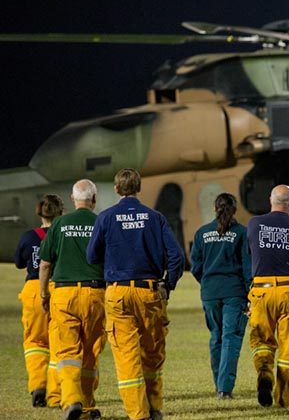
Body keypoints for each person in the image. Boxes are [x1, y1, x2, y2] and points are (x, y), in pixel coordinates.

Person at [86, 168, 184, 420]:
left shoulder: (106, 217)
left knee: (127, 357)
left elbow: (91, 256)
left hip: (117, 293)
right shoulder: (155, 218)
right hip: (149, 292)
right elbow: (176, 257)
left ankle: (138, 415)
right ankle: (155, 408)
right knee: (152, 355)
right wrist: (168, 285)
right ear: (139, 188)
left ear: (117, 189)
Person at [39, 180, 105, 420]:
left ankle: (71, 402)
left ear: (72, 199)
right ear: (94, 199)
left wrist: (44, 293)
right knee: (90, 352)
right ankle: (86, 405)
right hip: (96, 294)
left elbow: (45, 263)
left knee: (67, 353)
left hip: (64, 294)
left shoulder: (59, 223)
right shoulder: (101, 222)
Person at [246, 185, 289, 408]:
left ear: (269, 200)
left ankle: (264, 373)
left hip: (262, 290)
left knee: (262, 341)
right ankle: (284, 400)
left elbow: (251, 252)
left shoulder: (254, 224)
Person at [190, 193, 252, 399]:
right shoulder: (242, 233)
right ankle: (224, 389)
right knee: (230, 338)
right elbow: (247, 267)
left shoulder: (201, 233)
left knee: (216, 337)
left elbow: (196, 267)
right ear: (235, 209)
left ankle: (219, 385)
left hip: (209, 293)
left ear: (215, 208)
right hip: (234, 292)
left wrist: (208, 283)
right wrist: (250, 294)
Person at [14, 194, 63, 408]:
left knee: (35, 343)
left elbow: (18, 262)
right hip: (59, 289)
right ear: (60, 211)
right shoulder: (63, 234)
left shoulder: (28, 236)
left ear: (39, 212)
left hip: (33, 290)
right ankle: (55, 391)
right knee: (60, 343)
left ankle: (38, 386)